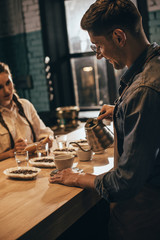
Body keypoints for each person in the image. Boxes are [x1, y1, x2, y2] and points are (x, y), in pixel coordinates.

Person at [50, 0, 160, 239]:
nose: (99, 56)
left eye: (98, 46)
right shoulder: (153, 65)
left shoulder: (143, 90)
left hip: (144, 221)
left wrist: (76, 177)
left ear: (119, 37)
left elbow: (125, 182)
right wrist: (121, 110)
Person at [0, 62, 53, 161]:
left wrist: (46, 140)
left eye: (8, 83)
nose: (7, 91)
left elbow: (44, 133)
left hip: (32, 167)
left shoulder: (25, 105)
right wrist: (10, 153)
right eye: (0, 87)